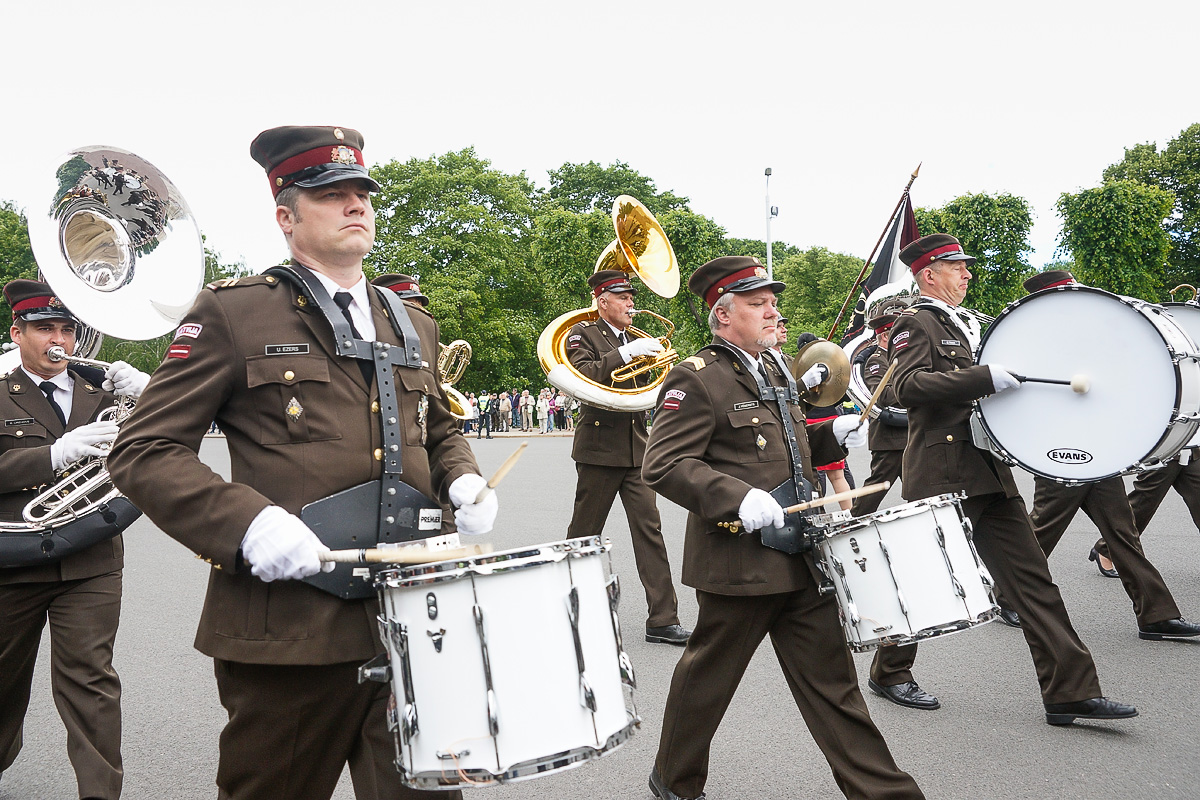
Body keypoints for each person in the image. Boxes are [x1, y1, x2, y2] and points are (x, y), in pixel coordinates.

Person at [108, 125, 494, 800]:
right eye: (332, 194)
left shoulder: (413, 323)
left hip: (410, 623)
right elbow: (143, 449)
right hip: (289, 632)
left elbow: (436, 425)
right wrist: (247, 524)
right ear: (286, 216)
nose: (356, 206)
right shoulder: (236, 314)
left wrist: (460, 473)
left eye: (362, 194)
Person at [642, 256, 921, 800]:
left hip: (800, 552)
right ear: (723, 316)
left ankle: (888, 795)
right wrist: (735, 497)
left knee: (835, 690)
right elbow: (665, 464)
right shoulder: (698, 378)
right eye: (757, 304)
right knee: (707, 683)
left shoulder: (774, 369)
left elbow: (785, 455)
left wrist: (831, 436)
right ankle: (673, 783)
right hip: (739, 563)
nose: (773, 312)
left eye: (773, 302)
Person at [886, 233, 1137, 725]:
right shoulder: (917, 322)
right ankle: (890, 672)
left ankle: (1069, 691)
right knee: (927, 581)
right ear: (928, 274)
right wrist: (982, 378)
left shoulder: (971, 325)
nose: (968, 274)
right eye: (957, 267)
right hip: (942, 472)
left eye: (965, 267)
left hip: (987, 470)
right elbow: (902, 388)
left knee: (1034, 581)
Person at [0, 279, 150, 799]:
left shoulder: (104, 390)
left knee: (92, 684)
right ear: (18, 332)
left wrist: (153, 394)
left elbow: (166, 445)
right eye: (45, 328)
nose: (59, 338)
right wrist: (52, 455)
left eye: (68, 328)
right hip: (12, 560)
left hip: (91, 560)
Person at [1020, 270, 1200, 641]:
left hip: (1098, 449)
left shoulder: (1088, 342)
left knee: (1123, 533)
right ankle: (1005, 594)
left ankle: (1156, 615)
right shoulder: (1033, 343)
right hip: (1061, 453)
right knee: (1042, 531)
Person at [564, 269, 689, 645]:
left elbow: (653, 385)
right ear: (603, 301)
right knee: (584, 535)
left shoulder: (639, 338)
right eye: (624, 297)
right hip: (599, 449)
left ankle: (663, 619)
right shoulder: (580, 335)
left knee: (650, 532)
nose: (632, 302)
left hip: (637, 448)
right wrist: (624, 354)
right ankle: (567, 606)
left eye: (631, 296)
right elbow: (584, 376)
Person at [845, 299, 933, 709]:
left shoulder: (906, 354)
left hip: (917, 440)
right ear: (880, 331)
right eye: (887, 328)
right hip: (894, 440)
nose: (889, 332)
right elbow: (889, 407)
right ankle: (850, 527)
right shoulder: (879, 360)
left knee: (880, 491)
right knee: (875, 488)